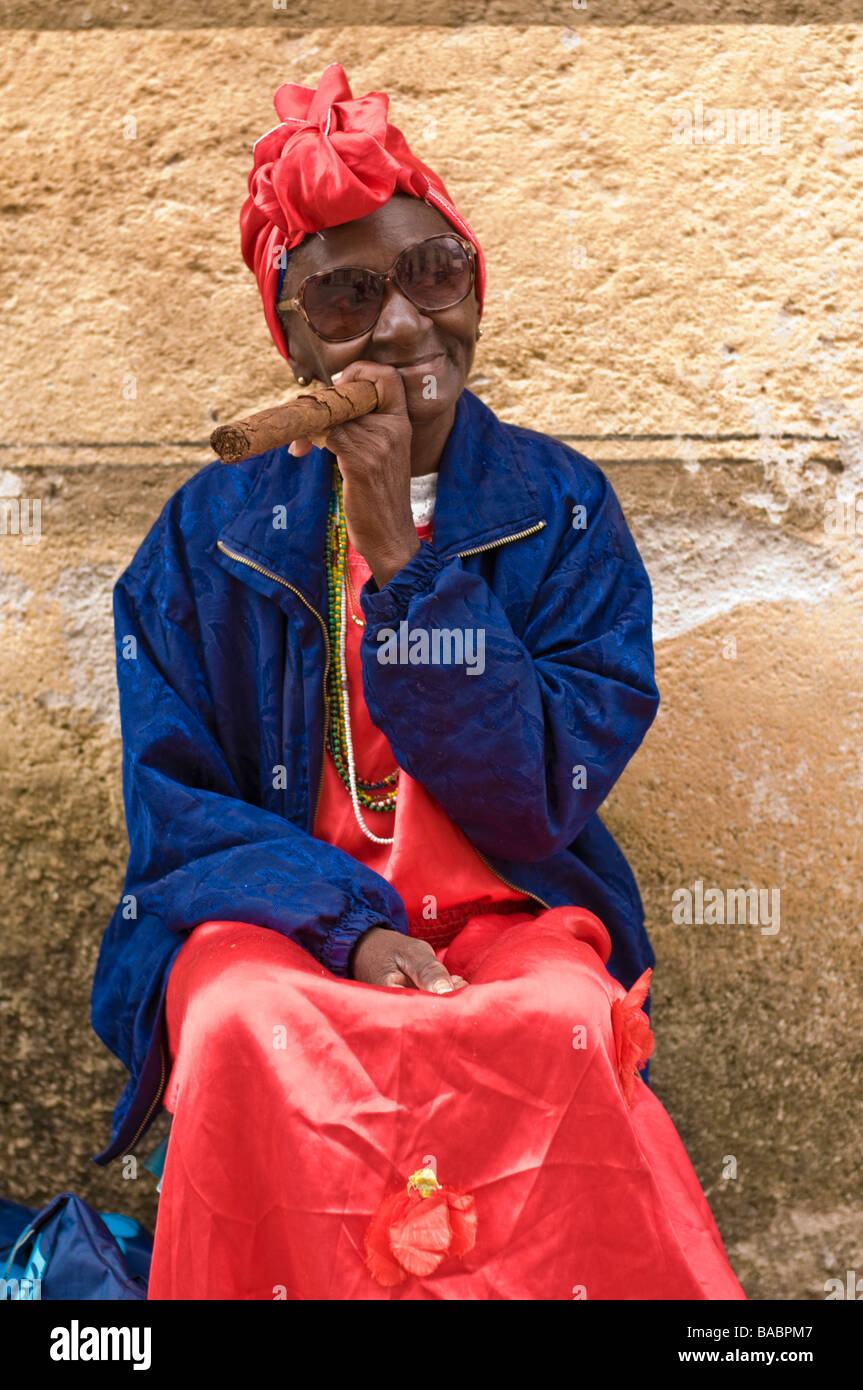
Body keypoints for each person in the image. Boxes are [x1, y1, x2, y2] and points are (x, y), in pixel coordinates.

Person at [90, 63, 745, 1300]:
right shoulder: (203, 534)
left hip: (507, 914)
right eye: (345, 297)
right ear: (290, 337)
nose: (401, 327)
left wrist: (402, 557)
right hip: (280, 925)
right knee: (237, 1026)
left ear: (474, 285)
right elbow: (174, 810)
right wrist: (347, 928)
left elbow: (539, 799)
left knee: (557, 1018)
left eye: (433, 274)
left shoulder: (559, 511)